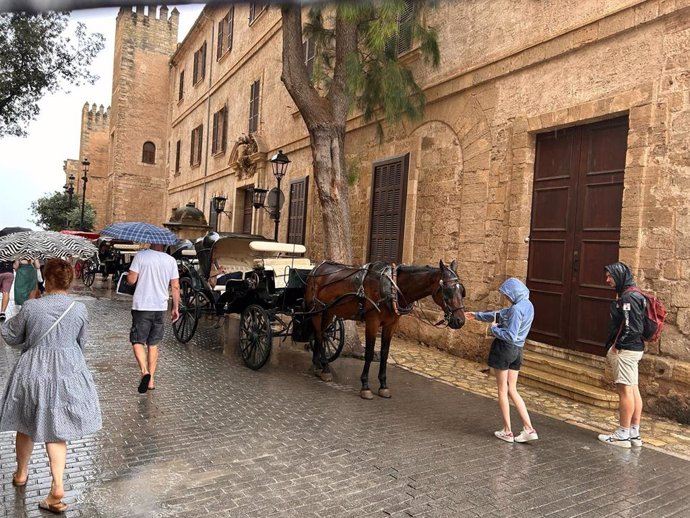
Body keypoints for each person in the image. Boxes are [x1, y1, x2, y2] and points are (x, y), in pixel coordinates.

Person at [0, 258, 102, 514]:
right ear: (69, 281)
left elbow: (12, 337)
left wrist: (29, 303)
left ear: (46, 279)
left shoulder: (32, 306)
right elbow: (82, 343)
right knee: (57, 430)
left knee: (25, 422)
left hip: (33, 370)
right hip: (68, 370)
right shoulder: (79, 309)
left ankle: (22, 473)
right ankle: (57, 485)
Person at [466, 278, 538, 443]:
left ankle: (507, 431)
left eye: (507, 294)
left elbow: (510, 335)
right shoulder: (527, 305)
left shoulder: (516, 310)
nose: (506, 298)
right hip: (518, 351)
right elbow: (500, 314)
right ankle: (529, 428)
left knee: (501, 390)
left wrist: (493, 330)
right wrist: (476, 315)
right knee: (512, 389)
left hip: (505, 349)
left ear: (513, 292)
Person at [598, 262, 646, 448]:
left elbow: (631, 327)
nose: (607, 279)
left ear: (619, 276)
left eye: (610, 276)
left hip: (626, 351)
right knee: (633, 389)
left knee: (625, 391)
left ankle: (623, 434)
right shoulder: (635, 294)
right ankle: (634, 432)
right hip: (634, 349)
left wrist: (617, 346)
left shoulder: (628, 298)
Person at [127, 243, 180, 394]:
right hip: (160, 307)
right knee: (153, 344)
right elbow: (175, 287)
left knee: (137, 341)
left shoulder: (141, 256)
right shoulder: (170, 260)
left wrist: (129, 274)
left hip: (142, 306)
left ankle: (144, 372)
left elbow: (131, 280)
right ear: (164, 244)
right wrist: (175, 307)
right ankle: (151, 380)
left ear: (151, 241)